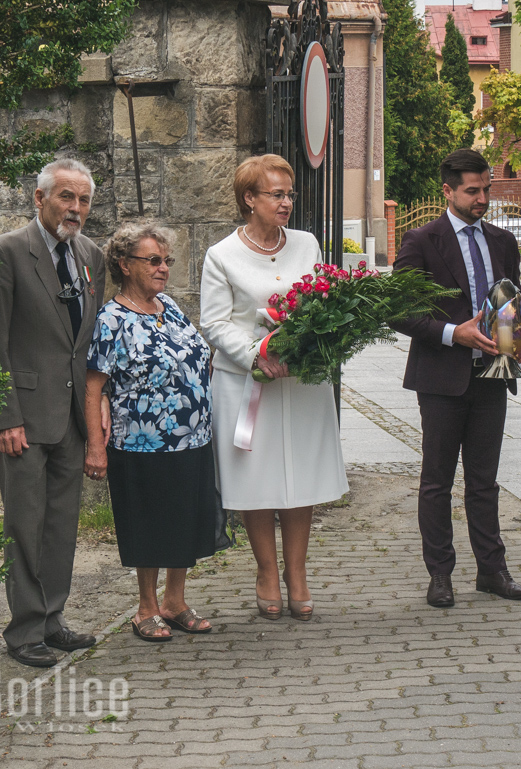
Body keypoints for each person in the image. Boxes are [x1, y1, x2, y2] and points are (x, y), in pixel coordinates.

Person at [200, 154, 348, 621]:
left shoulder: (307, 244)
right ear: (249, 199)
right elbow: (215, 323)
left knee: (300, 475)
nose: (286, 203)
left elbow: (322, 301)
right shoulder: (222, 255)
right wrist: (257, 355)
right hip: (247, 382)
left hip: (301, 380)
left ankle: (297, 573)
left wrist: (311, 343)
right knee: (257, 477)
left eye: (289, 195)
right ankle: (266, 571)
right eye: (276, 194)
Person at [0, 158, 106, 667]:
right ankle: (24, 631)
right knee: (25, 526)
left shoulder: (90, 255)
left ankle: (53, 619)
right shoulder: (6, 253)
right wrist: (3, 417)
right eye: (66, 197)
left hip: (73, 417)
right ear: (39, 198)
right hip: (23, 420)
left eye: (84, 200)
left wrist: (97, 415)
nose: (75, 209)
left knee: (61, 526)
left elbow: (88, 344)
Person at [391, 148, 521, 608]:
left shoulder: (503, 242)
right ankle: (440, 575)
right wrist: (456, 333)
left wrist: (518, 336)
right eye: (473, 190)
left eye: (487, 188)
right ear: (448, 191)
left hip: (493, 376)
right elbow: (400, 312)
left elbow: (510, 300)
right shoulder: (421, 241)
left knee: (484, 481)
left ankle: (492, 571)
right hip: (441, 379)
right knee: (436, 481)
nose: (483, 198)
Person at [84, 224, 221, 641]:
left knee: (184, 519)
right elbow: (94, 387)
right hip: (142, 442)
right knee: (150, 522)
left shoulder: (171, 308)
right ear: (124, 265)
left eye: (167, 261)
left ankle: (175, 601)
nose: (163, 269)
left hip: (193, 437)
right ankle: (146, 607)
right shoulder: (112, 319)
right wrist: (95, 447)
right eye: (153, 261)